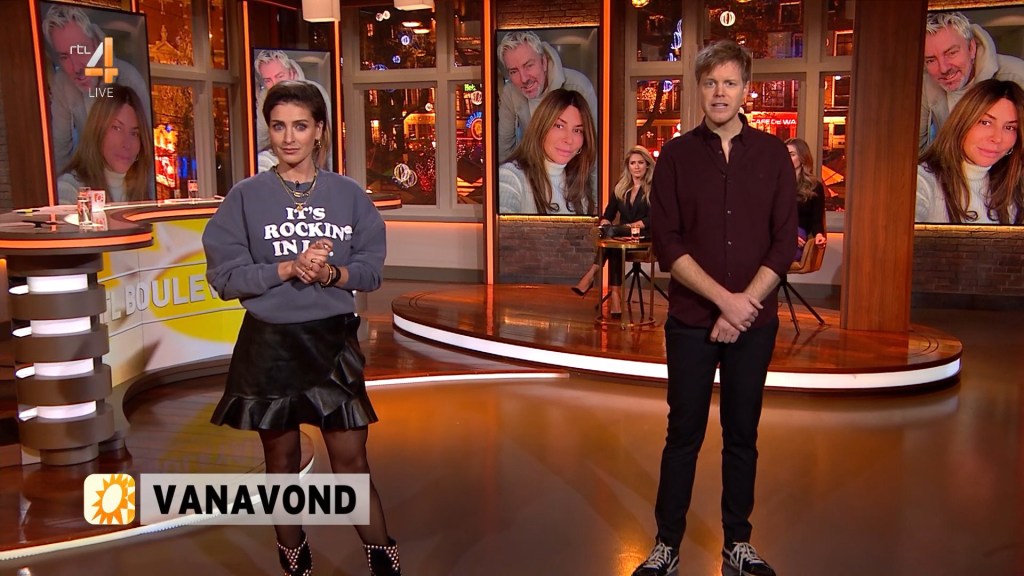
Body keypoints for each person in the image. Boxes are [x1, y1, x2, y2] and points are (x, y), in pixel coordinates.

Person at [202, 81, 401, 576]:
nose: (288, 138)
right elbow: (225, 279)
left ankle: (384, 562)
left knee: (351, 462)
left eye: (300, 126)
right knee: (282, 463)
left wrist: (332, 274)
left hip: (331, 342)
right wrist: (287, 268)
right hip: (269, 345)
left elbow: (371, 270)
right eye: (278, 126)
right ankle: (295, 562)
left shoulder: (348, 195)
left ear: (319, 131)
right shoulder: (245, 197)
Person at [636, 40, 796, 576]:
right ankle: (667, 545)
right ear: (698, 90)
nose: (720, 93)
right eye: (710, 83)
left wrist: (742, 307)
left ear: (746, 88)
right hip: (691, 322)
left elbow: (784, 243)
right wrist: (725, 302)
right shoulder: (676, 157)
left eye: (729, 83)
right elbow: (668, 243)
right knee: (682, 435)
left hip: (753, 323)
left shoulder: (772, 155)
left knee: (742, 435)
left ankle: (737, 543)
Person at [42, 4, 151, 172]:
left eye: (80, 50)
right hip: (89, 180)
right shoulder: (62, 83)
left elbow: (147, 155)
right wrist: (64, 186)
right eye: (64, 56)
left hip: (128, 179)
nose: (76, 68)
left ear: (94, 43)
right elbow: (59, 150)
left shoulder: (130, 79)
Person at [917, 79, 1024, 224]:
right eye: (985, 122)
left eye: (1009, 127)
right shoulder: (922, 180)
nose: (997, 138)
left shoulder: (1014, 189)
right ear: (962, 123)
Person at [919, 11, 1024, 153]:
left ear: (972, 48)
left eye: (951, 53)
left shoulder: (1018, 75)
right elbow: (914, 148)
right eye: (931, 60)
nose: (943, 68)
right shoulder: (926, 82)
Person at [572, 145, 655, 318]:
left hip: (644, 236)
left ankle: (591, 275)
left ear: (647, 165)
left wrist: (636, 225)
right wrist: (605, 222)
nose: (637, 166)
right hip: (622, 236)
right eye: (633, 163)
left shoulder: (654, 188)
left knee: (612, 235)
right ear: (628, 166)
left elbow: (656, 216)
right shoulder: (621, 187)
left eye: (640, 162)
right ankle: (615, 296)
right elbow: (609, 213)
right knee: (613, 242)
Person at [496, 31, 598, 163]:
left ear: (544, 62)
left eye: (529, 66)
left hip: (573, 171)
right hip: (533, 170)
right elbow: (503, 148)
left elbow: (594, 148)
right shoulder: (510, 92)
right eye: (514, 71)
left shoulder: (579, 86)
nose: (524, 79)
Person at [498, 88, 597, 215]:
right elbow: (502, 223)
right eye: (559, 126)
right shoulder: (511, 175)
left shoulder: (579, 185)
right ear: (541, 127)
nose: (569, 139)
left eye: (577, 130)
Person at [57, 84, 153, 204]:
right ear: (97, 131)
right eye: (116, 128)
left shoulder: (141, 192)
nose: (126, 144)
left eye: (134, 133)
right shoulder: (70, 187)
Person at [253, 50, 333, 172]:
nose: (275, 84)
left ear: (291, 72)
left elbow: (329, 141)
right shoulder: (265, 97)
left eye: (300, 127)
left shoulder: (316, 93)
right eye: (279, 127)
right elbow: (259, 138)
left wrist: (332, 175)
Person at [785, 138, 827, 260]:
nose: (787, 158)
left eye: (792, 154)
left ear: (803, 158)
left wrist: (819, 235)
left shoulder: (815, 186)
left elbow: (816, 220)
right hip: (778, 233)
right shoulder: (776, 183)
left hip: (799, 235)